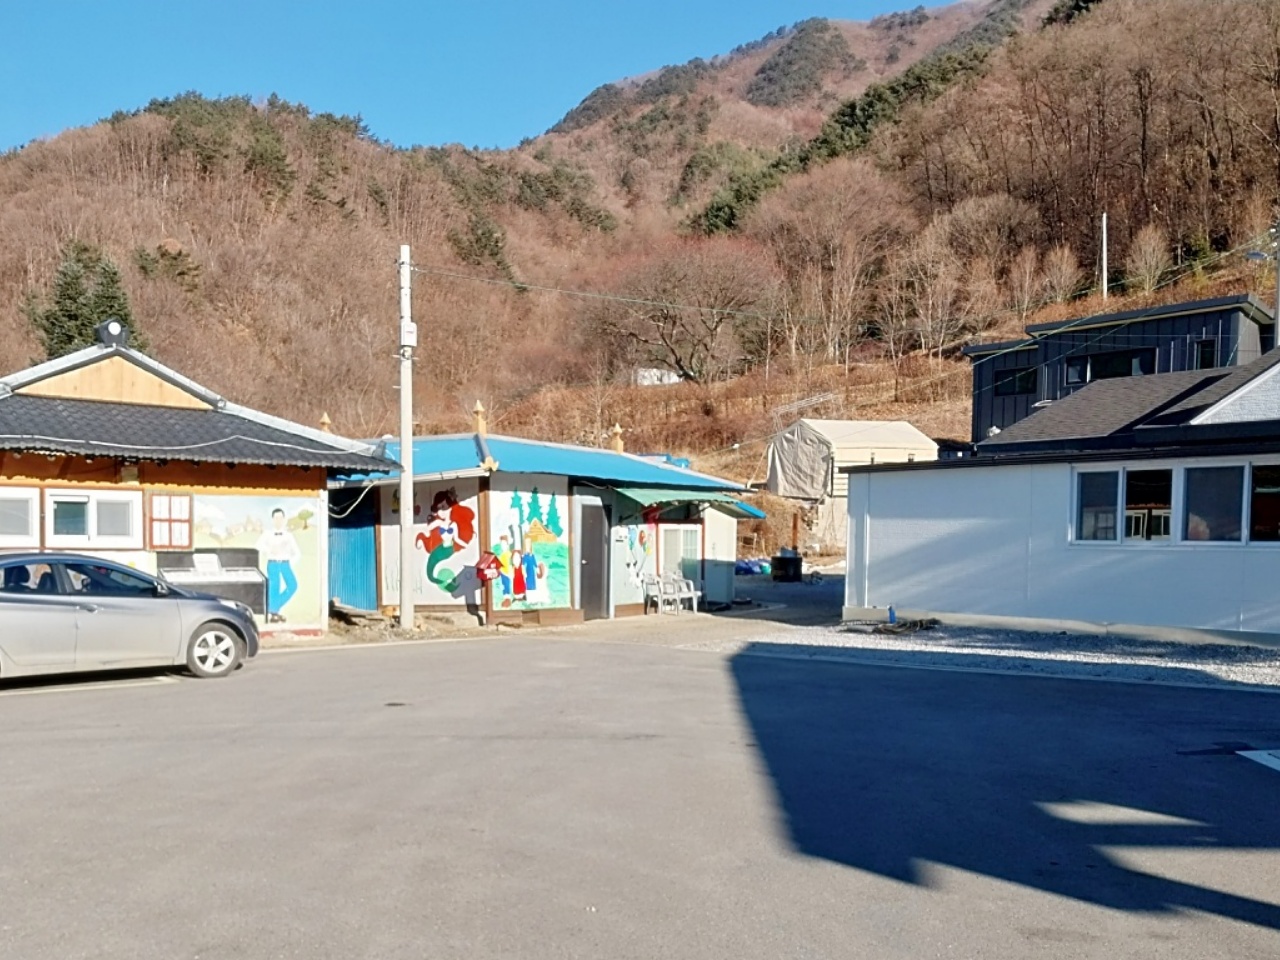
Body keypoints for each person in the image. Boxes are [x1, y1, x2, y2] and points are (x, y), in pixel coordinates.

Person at [415, 488, 475, 594]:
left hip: (450, 549)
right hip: (441, 549)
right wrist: (435, 521)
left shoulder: (454, 523)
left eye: (443, 507)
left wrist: (467, 546)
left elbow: (457, 538)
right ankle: (438, 579)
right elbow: (429, 528)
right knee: (432, 563)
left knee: (452, 564)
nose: (441, 511)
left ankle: (448, 581)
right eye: (438, 508)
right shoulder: (439, 523)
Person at [256, 508, 301, 623]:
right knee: (274, 588)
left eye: (280, 518)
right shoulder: (267, 534)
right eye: (276, 518)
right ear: (272, 519)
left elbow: (296, 552)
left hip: (285, 564)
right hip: (273, 563)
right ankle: (274, 613)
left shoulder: (289, 536)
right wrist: (269, 550)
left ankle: (273, 608)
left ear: (284, 519)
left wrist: (289, 562)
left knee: (293, 585)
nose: (278, 520)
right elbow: (258, 545)